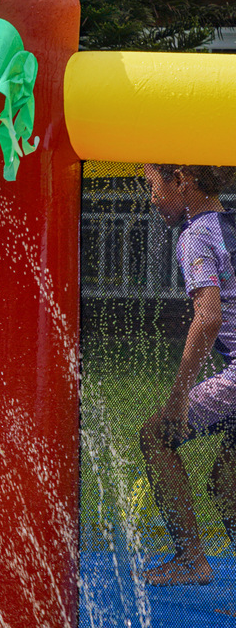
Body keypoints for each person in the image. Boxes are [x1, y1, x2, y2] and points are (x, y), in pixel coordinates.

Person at [139, 163, 236, 585]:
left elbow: (208, 318)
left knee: (156, 434)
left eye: (154, 185)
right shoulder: (230, 221)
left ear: (182, 180)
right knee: (226, 480)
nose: (153, 198)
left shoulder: (195, 235)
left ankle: (189, 559)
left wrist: (179, 397)